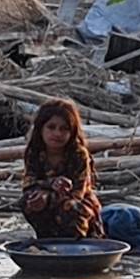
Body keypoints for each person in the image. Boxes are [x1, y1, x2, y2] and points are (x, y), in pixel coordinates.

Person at [22, 97, 104, 241]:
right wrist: (47, 188)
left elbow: (78, 193)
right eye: (51, 127)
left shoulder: (78, 154)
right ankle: (46, 239)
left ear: (72, 132)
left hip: (79, 207)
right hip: (47, 199)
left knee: (69, 206)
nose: (57, 134)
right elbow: (29, 183)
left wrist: (50, 195)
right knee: (27, 202)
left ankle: (76, 243)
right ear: (41, 128)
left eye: (64, 129)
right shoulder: (34, 152)